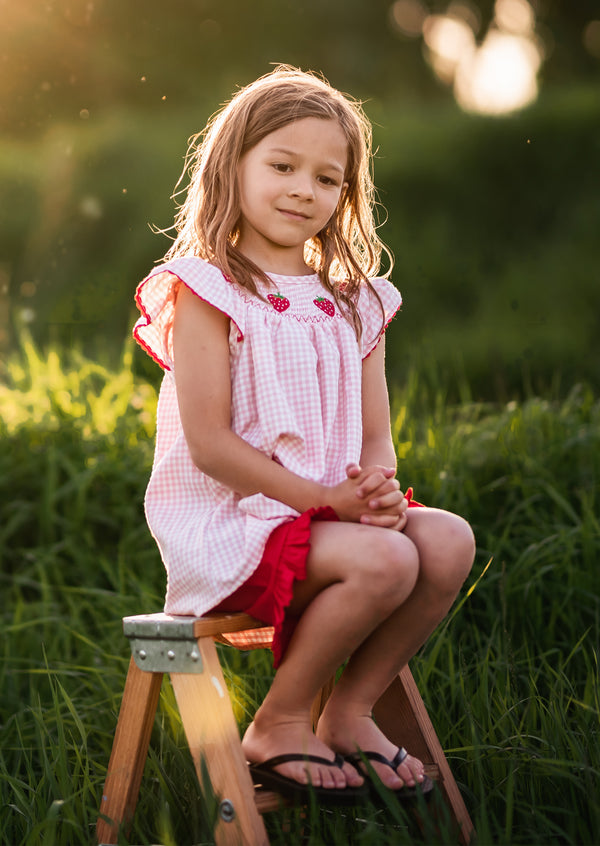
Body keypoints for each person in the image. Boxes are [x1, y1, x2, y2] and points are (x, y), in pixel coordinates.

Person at [133, 65, 476, 805]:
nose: (302, 190)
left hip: (329, 518)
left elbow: (374, 436)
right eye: (282, 166)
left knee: (446, 540)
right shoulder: (209, 288)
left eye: (327, 179)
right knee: (386, 560)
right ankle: (279, 721)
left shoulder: (356, 304)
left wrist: (375, 487)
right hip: (234, 525)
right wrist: (326, 499)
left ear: (345, 194)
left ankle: (348, 712)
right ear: (235, 166)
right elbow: (212, 446)